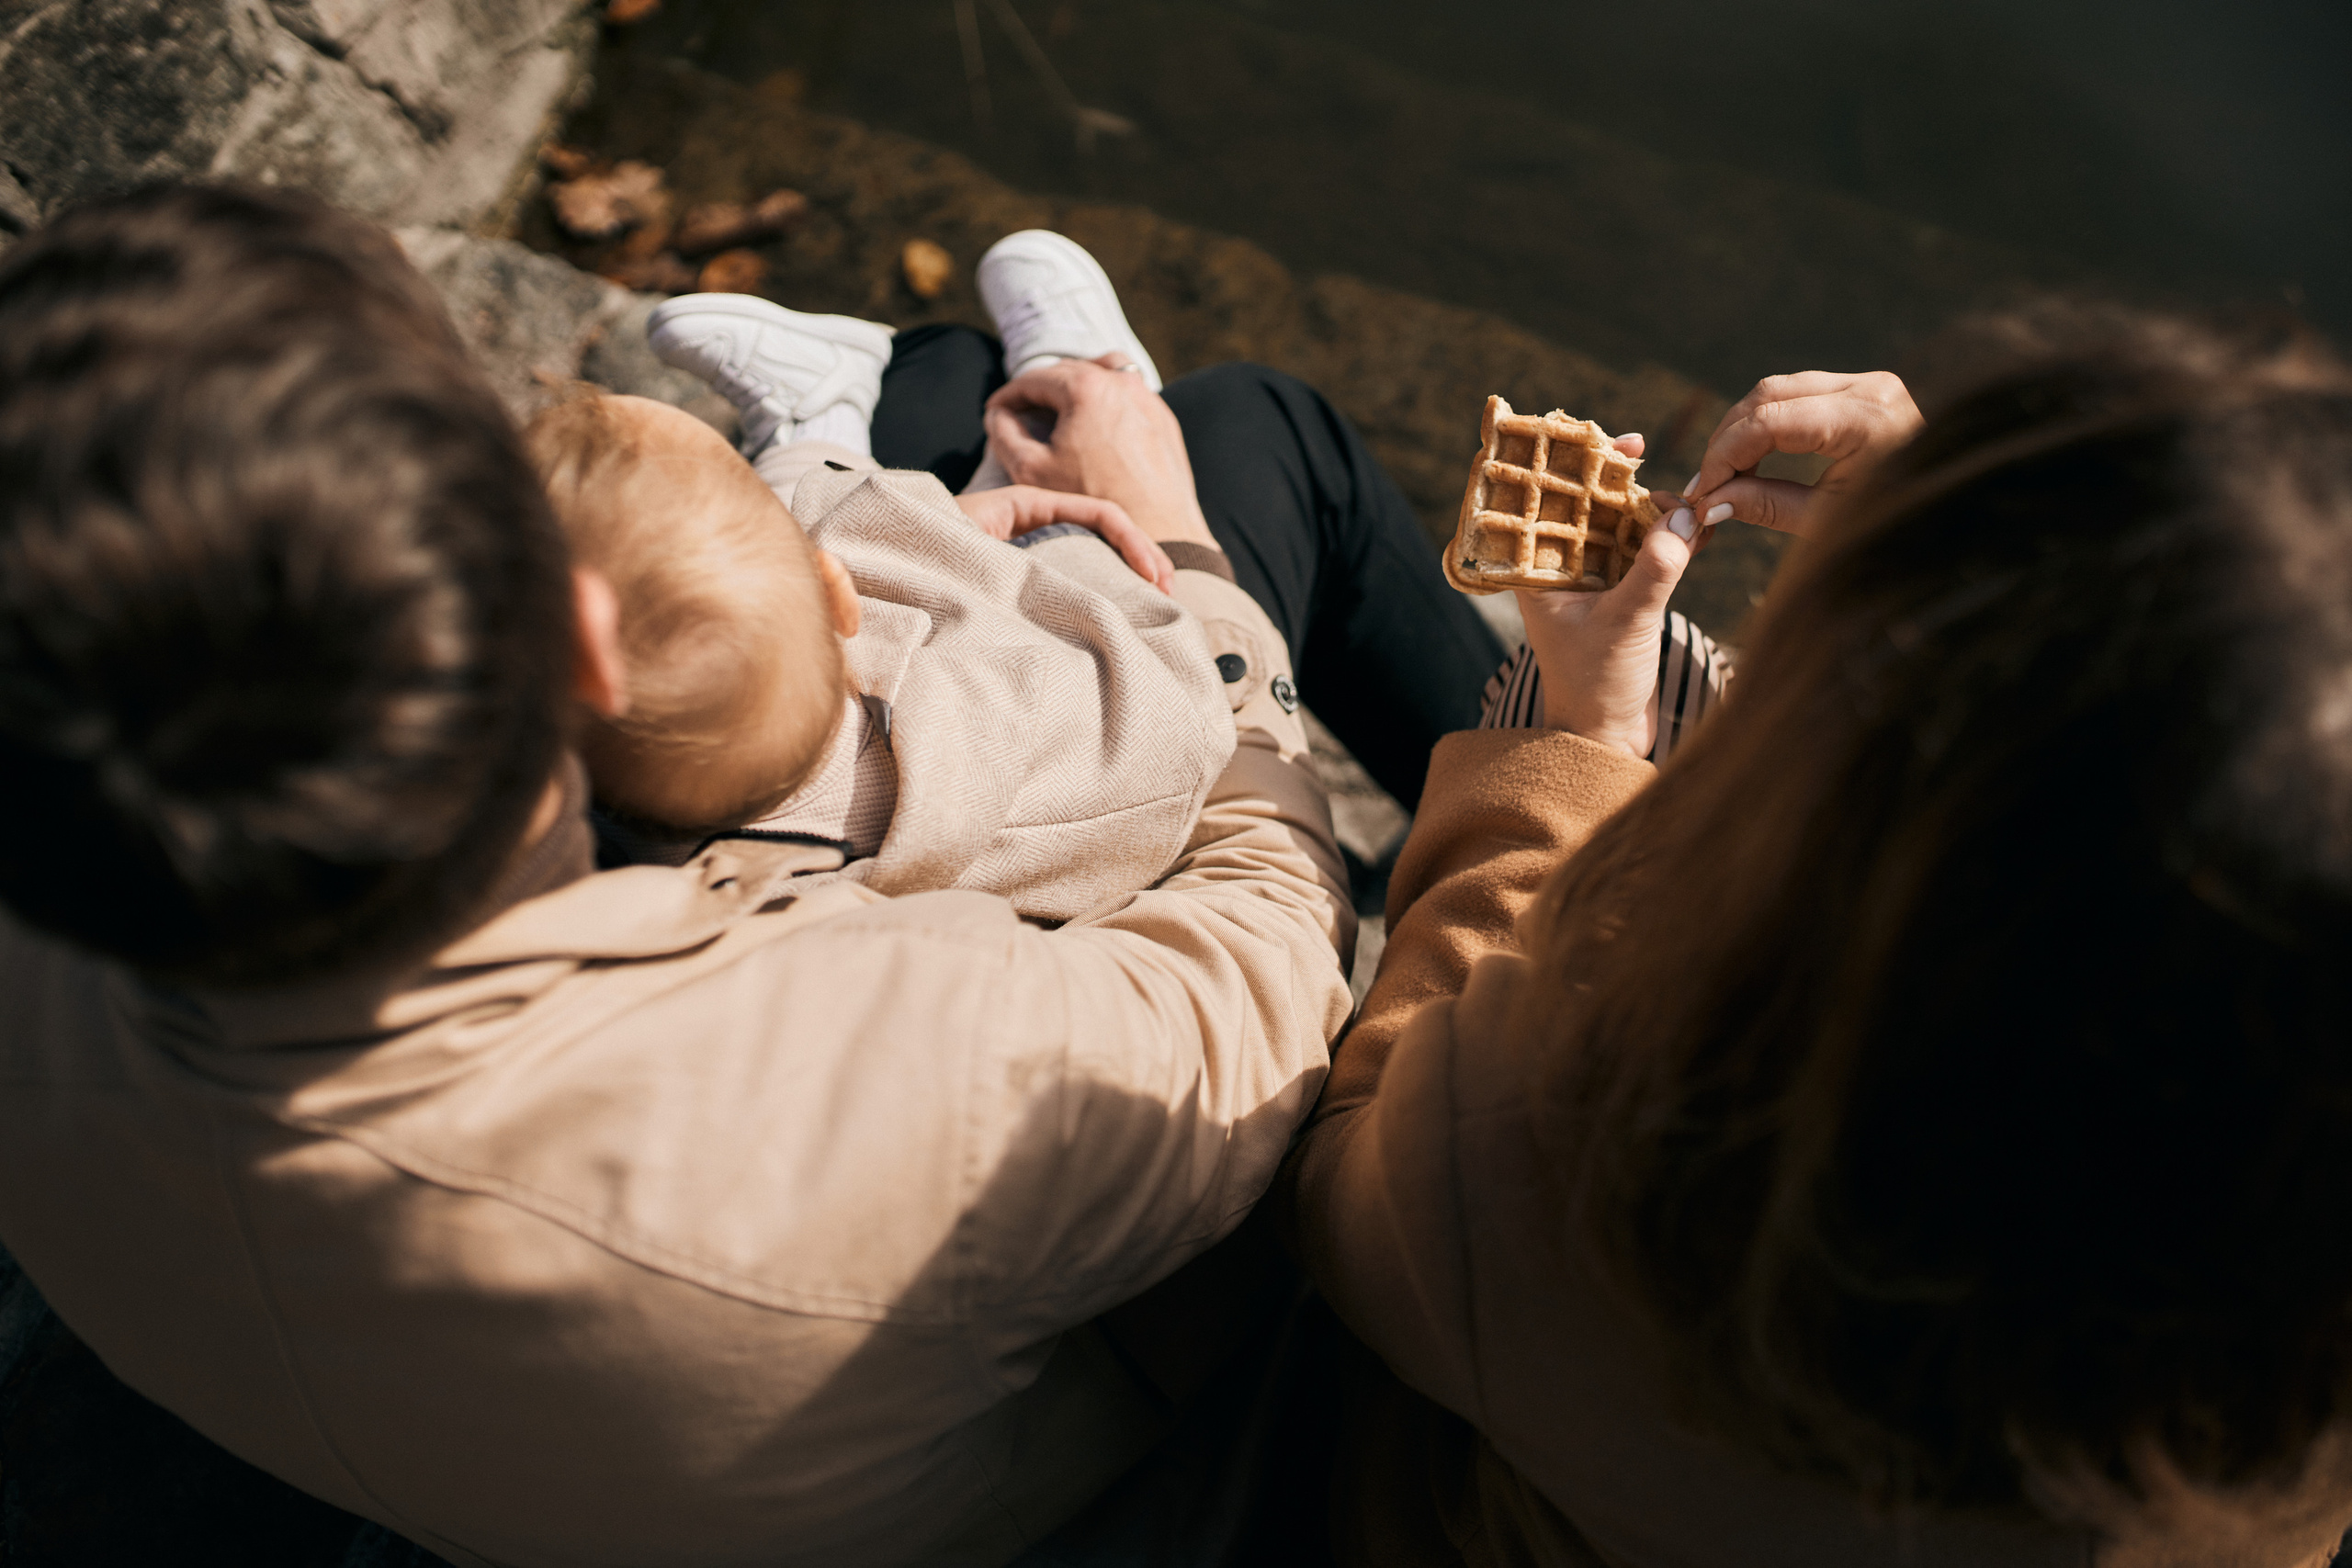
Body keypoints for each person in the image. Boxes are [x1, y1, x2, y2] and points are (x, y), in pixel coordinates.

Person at [0, 184, 1363, 1568]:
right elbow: (1272, 957)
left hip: (481, 1453)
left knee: (943, 385)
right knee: (1252, 426)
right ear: (588, 650)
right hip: (1066, 1447)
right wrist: (1183, 554)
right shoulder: (901, 1069)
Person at [1283, 327, 2352, 1568]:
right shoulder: (2286, 1397)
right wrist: (1964, 585)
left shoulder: (1590, 1171)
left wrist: (1576, 750)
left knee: (1282, 444)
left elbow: (1350, 1174)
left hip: (1391, 1487)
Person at [526, 386, 1230, 923]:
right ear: (839, 595)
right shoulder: (1018, 721)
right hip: (1104, 637)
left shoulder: (629, 860)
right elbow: (1188, 709)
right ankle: (1086, 380)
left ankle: (821, 416)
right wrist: (1058, 541)